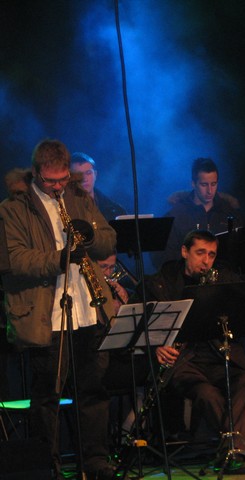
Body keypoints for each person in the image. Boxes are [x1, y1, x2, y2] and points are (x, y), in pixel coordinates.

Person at [0, 139, 119, 480]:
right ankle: (47, 465)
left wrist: (89, 237)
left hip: (88, 310)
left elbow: (110, 238)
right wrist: (61, 258)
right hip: (46, 315)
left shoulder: (78, 197)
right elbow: (15, 260)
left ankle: (95, 461)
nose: (57, 187)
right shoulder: (13, 208)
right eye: (51, 181)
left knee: (93, 392)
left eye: (63, 179)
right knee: (47, 397)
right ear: (36, 173)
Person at [146, 229, 245, 473]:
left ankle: (236, 451)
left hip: (217, 355)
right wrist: (156, 346)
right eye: (200, 253)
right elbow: (141, 324)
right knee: (206, 393)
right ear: (185, 252)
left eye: (211, 255)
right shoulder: (160, 282)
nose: (206, 261)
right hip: (183, 361)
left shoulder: (224, 278)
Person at [151, 158, 242, 269]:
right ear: (193, 184)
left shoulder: (228, 212)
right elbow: (162, 257)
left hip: (223, 276)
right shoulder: (177, 214)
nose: (210, 190)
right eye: (204, 185)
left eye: (213, 184)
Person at [70, 152, 127, 222]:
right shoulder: (64, 207)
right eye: (78, 174)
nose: (84, 179)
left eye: (88, 173)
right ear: (70, 177)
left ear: (95, 175)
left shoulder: (115, 211)